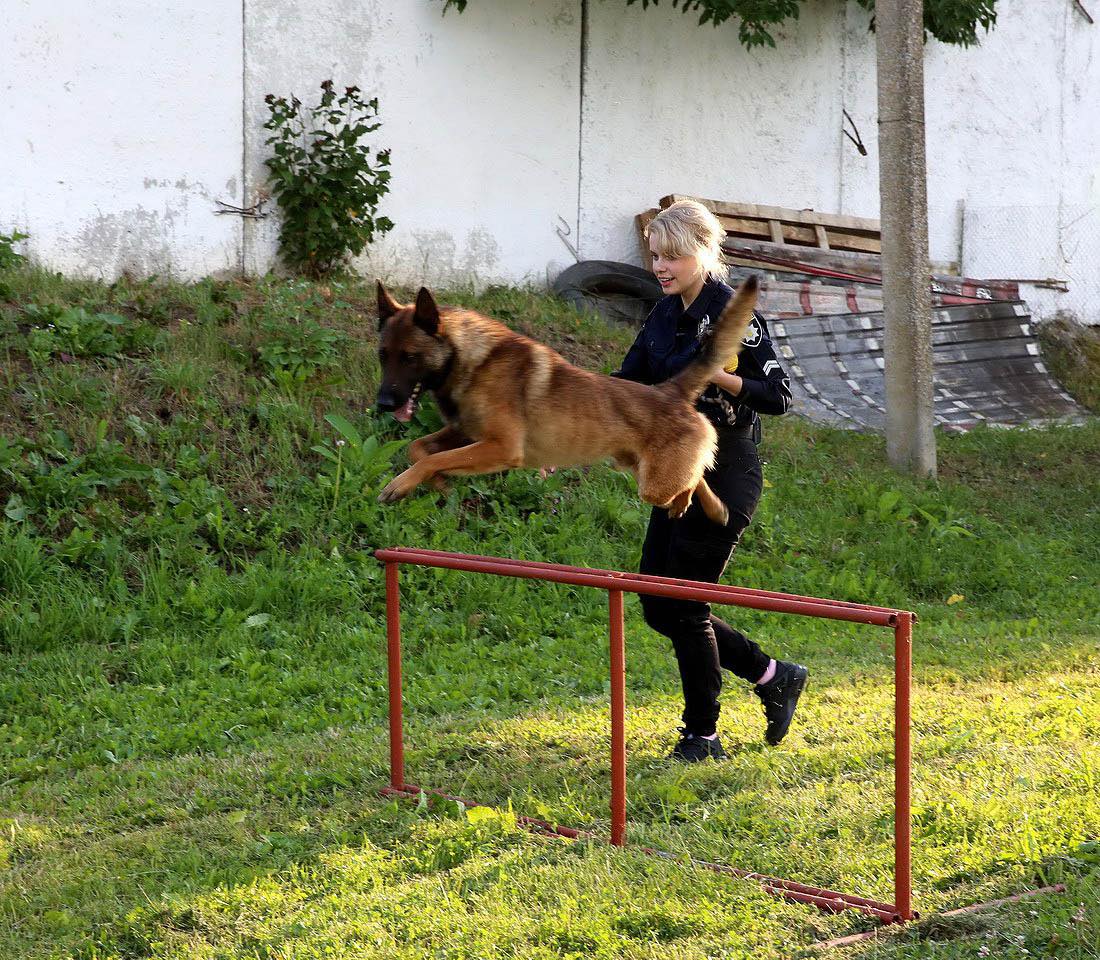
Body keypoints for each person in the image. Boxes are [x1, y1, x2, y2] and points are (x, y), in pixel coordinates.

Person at [612, 200, 807, 762]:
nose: (660, 267)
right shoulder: (662, 315)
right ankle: (772, 675)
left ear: (704, 252)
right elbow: (627, 384)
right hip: (677, 471)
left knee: (684, 606)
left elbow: (778, 398)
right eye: (654, 256)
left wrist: (717, 374)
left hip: (727, 472)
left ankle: (702, 735)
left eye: (672, 256)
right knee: (657, 604)